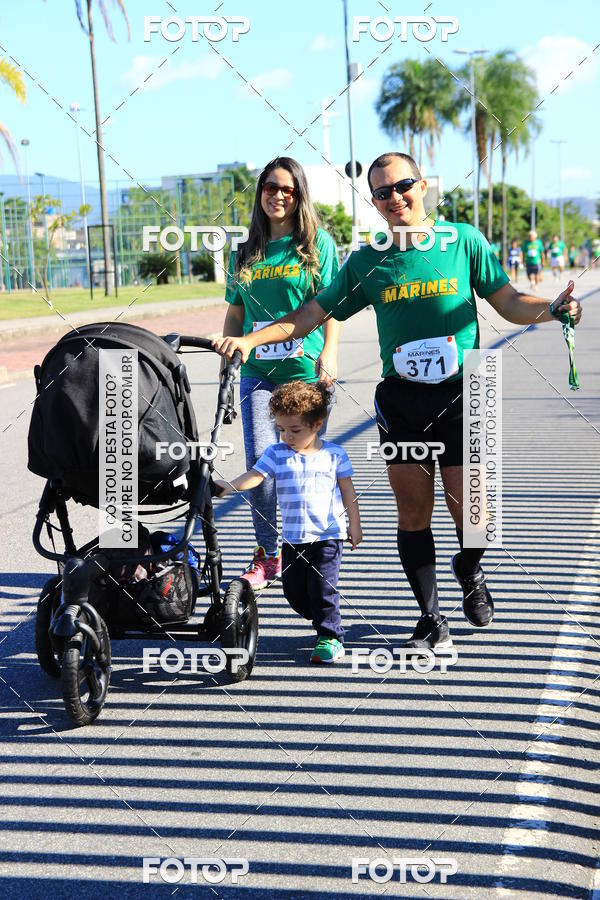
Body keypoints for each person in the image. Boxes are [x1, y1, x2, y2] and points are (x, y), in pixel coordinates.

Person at [213, 151, 582, 651]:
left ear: (423, 185)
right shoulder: (368, 258)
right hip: (401, 398)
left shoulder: (463, 242)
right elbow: (309, 314)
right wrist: (249, 342)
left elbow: (510, 302)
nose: (394, 198)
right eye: (382, 192)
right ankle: (430, 616)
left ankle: (468, 568)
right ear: (374, 201)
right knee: (413, 514)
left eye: (402, 186)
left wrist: (553, 308)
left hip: (465, 390)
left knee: (475, 517)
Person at [222, 156, 341, 590]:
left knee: (304, 466)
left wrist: (329, 351)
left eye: (288, 190)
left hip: (304, 374)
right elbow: (235, 313)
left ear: (299, 196)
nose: (278, 195)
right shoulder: (245, 250)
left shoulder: (316, 244)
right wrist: (228, 360)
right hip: (257, 373)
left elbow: (331, 305)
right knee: (261, 464)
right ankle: (267, 554)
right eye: (270, 187)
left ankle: (312, 551)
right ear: (261, 192)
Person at [214, 382, 362, 663]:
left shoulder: (334, 454)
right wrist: (230, 486)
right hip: (293, 538)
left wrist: (354, 524)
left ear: (317, 424)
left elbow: (348, 490)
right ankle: (320, 614)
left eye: (295, 430)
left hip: (327, 536)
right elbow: (256, 476)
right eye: (282, 429)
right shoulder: (276, 454)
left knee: (323, 588)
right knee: (293, 592)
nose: (287, 436)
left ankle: (330, 636)